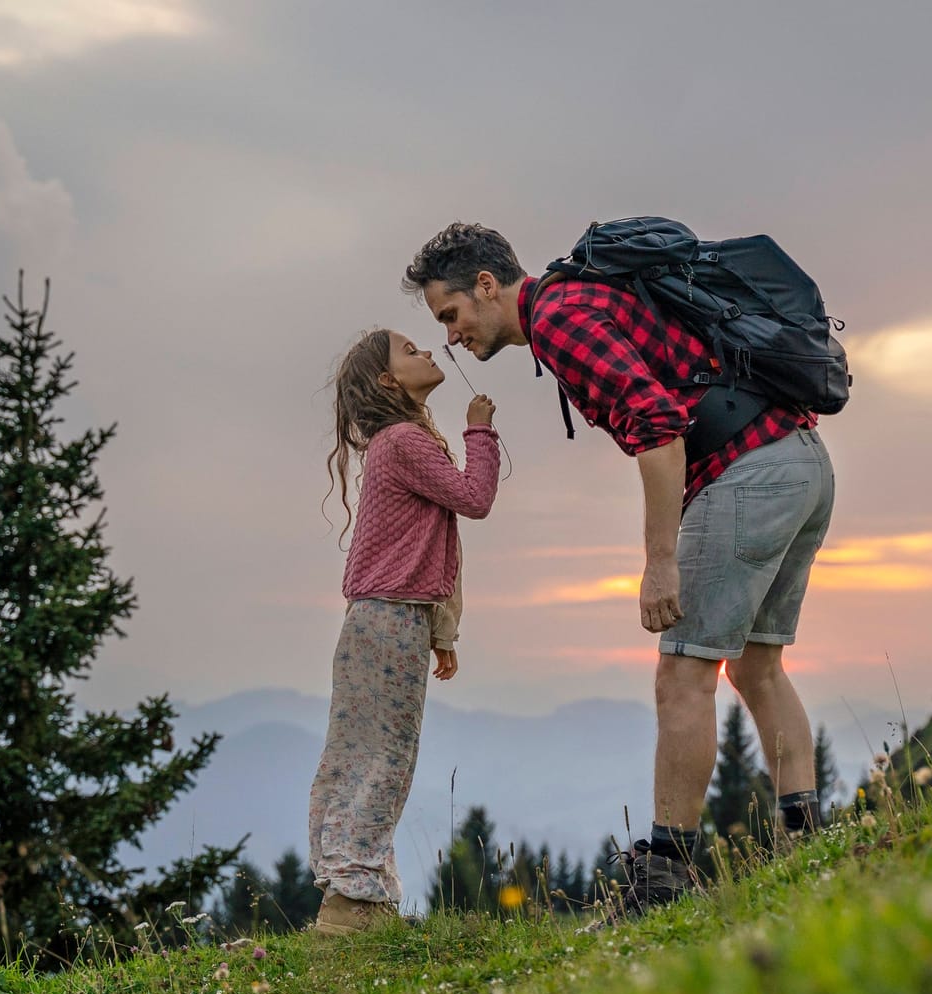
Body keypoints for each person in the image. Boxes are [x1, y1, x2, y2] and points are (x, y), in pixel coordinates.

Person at [403, 223, 835, 916]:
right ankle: (810, 842)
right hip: (802, 462)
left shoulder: (561, 317)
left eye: (450, 314)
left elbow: (657, 429)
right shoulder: (583, 296)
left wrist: (660, 562)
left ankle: (662, 877)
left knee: (683, 674)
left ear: (487, 286)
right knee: (758, 665)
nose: (452, 336)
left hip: (749, 474)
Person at [307, 328, 500, 935]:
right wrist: (480, 430)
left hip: (385, 617)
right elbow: (475, 499)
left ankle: (360, 899)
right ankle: (351, 904)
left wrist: (441, 631)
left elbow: (428, 541)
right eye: (410, 351)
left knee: (364, 755)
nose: (427, 352)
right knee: (382, 758)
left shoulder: (398, 442)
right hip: (389, 618)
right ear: (390, 381)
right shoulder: (405, 441)